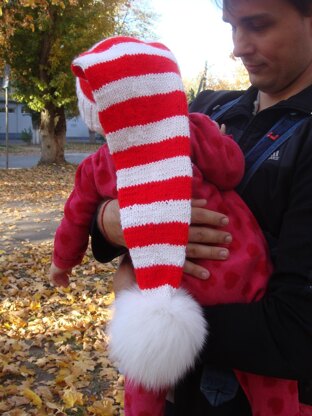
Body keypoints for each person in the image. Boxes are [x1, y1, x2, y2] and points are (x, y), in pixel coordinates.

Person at [49, 35, 303, 416]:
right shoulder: (200, 119)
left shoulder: (97, 164)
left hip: (171, 297)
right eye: (233, 26)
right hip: (238, 273)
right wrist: (111, 221)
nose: (238, 47)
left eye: (259, 24)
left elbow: (72, 220)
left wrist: (63, 264)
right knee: (274, 393)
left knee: (144, 378)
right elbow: (230, 169)